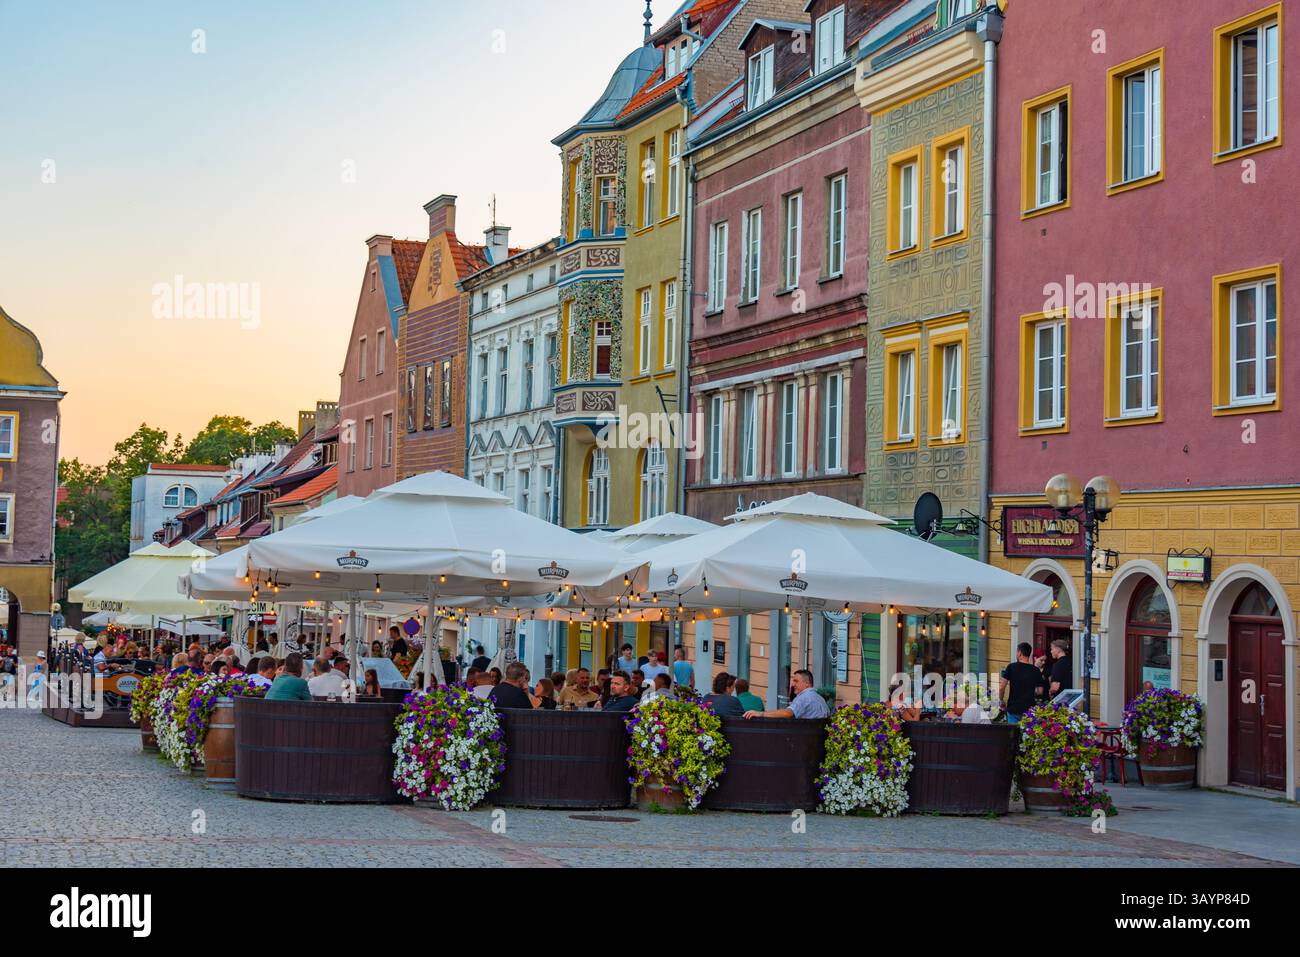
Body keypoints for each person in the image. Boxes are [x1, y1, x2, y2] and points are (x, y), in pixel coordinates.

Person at [746, 670, 829, 720]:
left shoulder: (804, 698)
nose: (793, 684)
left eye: (796, 681)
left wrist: (761, 714)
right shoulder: (820, 699)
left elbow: (788, 713)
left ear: (807, 684)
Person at [1000, 642, 1046, 724]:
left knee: (1013, 734)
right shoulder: (1035, 670)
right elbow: (1040, 691)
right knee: (1026, 734)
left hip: (1014, 708)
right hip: (1029, 709)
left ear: (1020, 653)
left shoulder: (1011, 667)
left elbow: (1002, 687)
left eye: (1017, 652)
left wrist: (1001, 700)